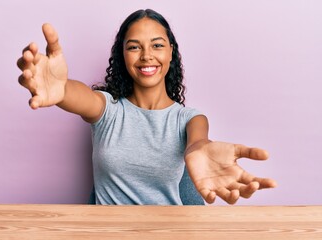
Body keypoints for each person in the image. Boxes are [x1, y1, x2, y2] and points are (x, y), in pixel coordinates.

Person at [17, 9, 276, 205]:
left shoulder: (189, 118)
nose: (146, 56)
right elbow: (80, 96)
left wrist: (201, 151)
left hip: (169, 233)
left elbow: (198, 143)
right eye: (134, 47)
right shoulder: (108, 109)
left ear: (171, 52)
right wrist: (60, 88)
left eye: (157, 45)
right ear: (123, 55)